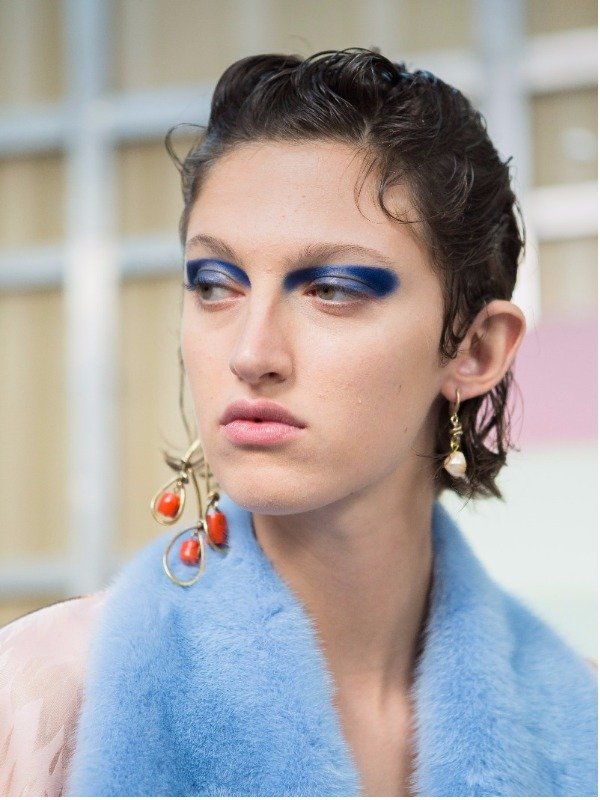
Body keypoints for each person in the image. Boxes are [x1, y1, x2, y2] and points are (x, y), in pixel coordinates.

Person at [0, 49, 596, 797]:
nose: (251, 354)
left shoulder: (582, 727)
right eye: (214, 285)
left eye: (333, 289)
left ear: (476, 349)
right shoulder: (44, 698)